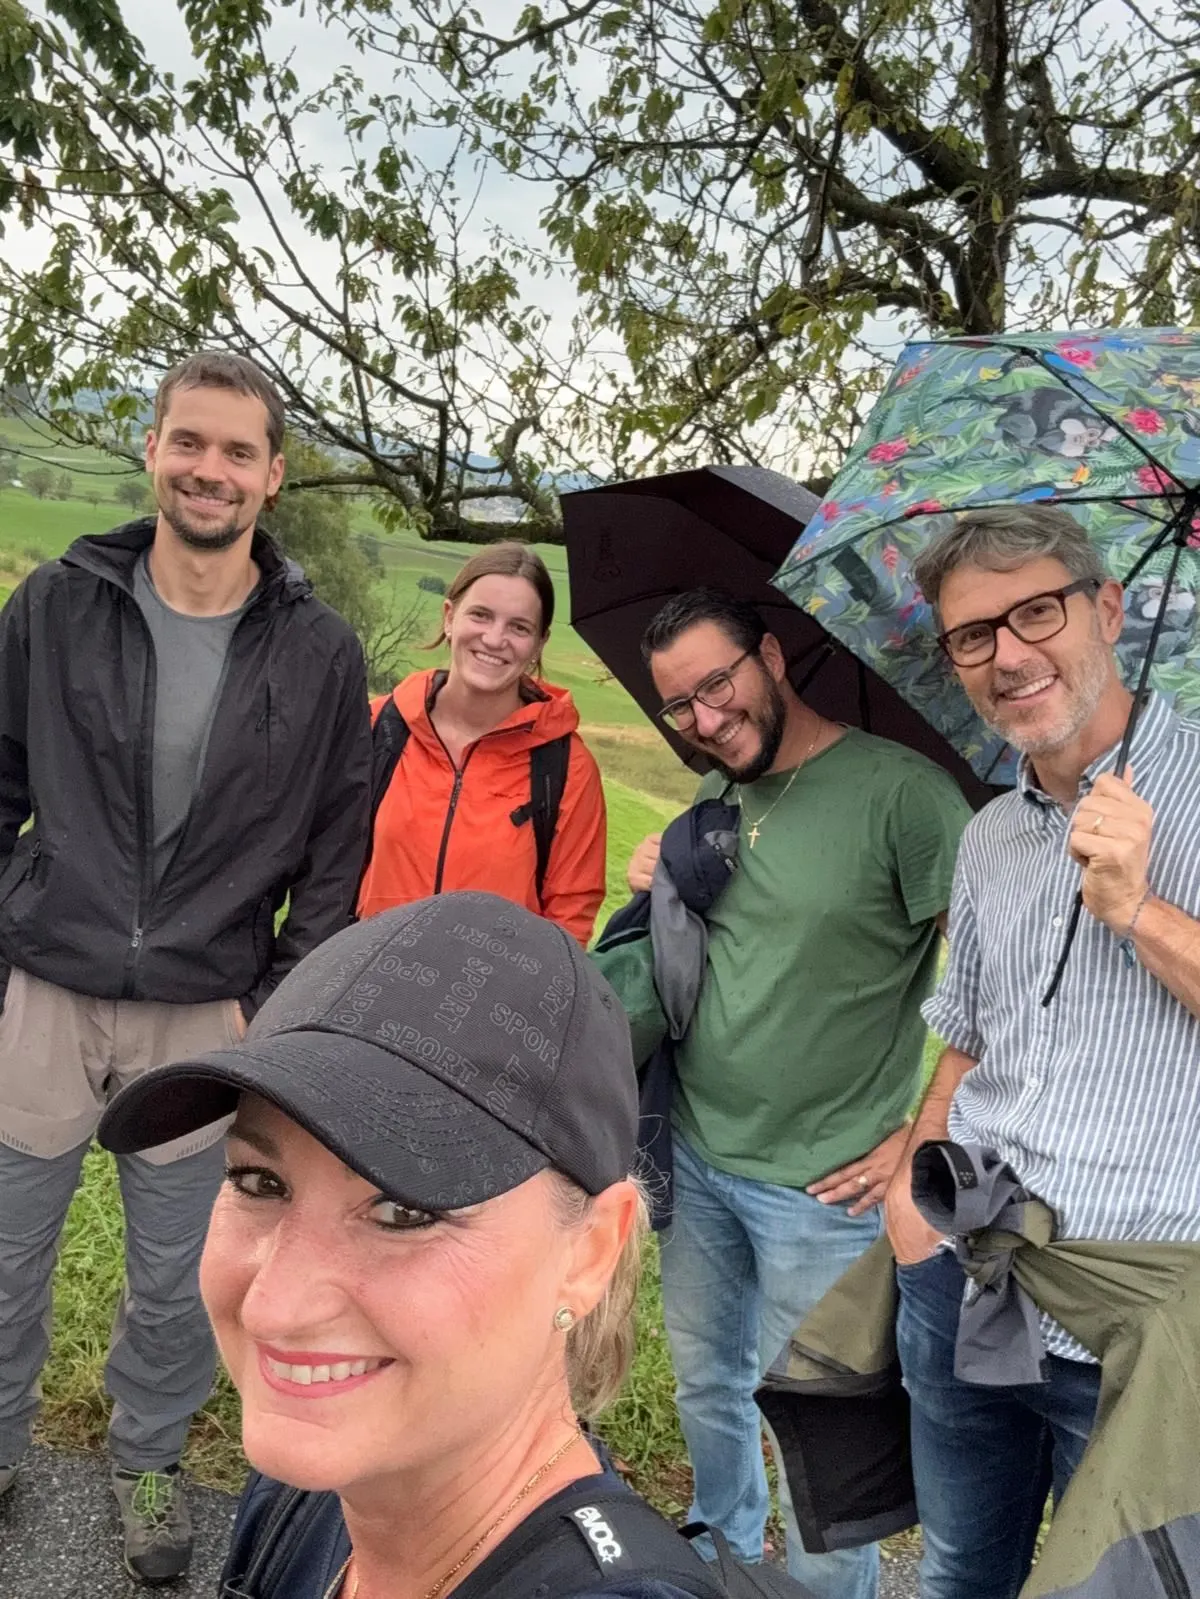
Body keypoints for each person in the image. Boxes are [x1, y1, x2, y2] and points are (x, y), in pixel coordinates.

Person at [96, 890, 799, 1599]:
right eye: (259, 1181)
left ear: (589, 1254)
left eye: (403, 1210)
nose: (276, 1308)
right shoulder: (318, 1482)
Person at [0, 352, 371, 1582]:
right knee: (5, 1252)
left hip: (205, 1016)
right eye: (188, 443)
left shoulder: (319, 653)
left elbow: (332, 854)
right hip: (46, 991)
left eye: (237, 452)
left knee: (179, 1279)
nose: (210, 470)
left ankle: (147, 1460)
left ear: (272, 477)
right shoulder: (56, 605)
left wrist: (265, 1007)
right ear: (153, 450)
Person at [622, 589, 972, 1599]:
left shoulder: (904, 797)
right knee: (706, 1385)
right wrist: (657, 874)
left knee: (820, 1426)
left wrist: (921, 1133)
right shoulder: (712, 801)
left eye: (717, 684)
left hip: (822, 1195)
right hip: (693, 1152)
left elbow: (995, 983)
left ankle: (823, 1591)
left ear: (770, 656)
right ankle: (719, 1552)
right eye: (679, 704)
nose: (704, 718)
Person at [885, 504, 1200, 1599]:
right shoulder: (988, 835)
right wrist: (908, 1194)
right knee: (961, 1569)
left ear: (1108, 609)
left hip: (1137, 1319)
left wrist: (1138, 907)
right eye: (973, 635)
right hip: (968, 1275)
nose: (1007, 654)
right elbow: (966, 1040)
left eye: (1035, 611)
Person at [357, 542, 606, 945]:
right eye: (481, 615)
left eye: (519, 627)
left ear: (539, 644)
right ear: (450, 616)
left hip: (489, 1001)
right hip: (367, 985)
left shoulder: (565, 766)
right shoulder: (378, 728)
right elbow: (326, 871)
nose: (494, 639)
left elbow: (570, 918)